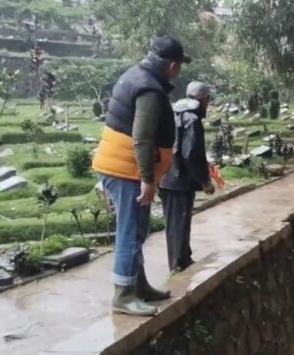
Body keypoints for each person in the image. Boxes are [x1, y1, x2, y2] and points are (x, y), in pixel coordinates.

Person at [92, 35, 191, 317]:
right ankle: (123, 295)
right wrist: (148, 179)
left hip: (122, 166)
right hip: (126, 170)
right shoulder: (149, 90)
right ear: (172, 65)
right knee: (129, 233)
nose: (179, 69)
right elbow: (142, 138)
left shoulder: (135, 76)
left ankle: (139, 285)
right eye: (180, 65)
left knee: (137, 230)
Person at [159, 81, 215, 272]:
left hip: (166, 176)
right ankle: (178, 264)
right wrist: (204, 181)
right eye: (208, 99)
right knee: (179, 222)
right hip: (179, 179)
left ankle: (183, 258)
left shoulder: (175, 114)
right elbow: (191, 154)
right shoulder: (192, 119)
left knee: (176, 222)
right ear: (203, 99)